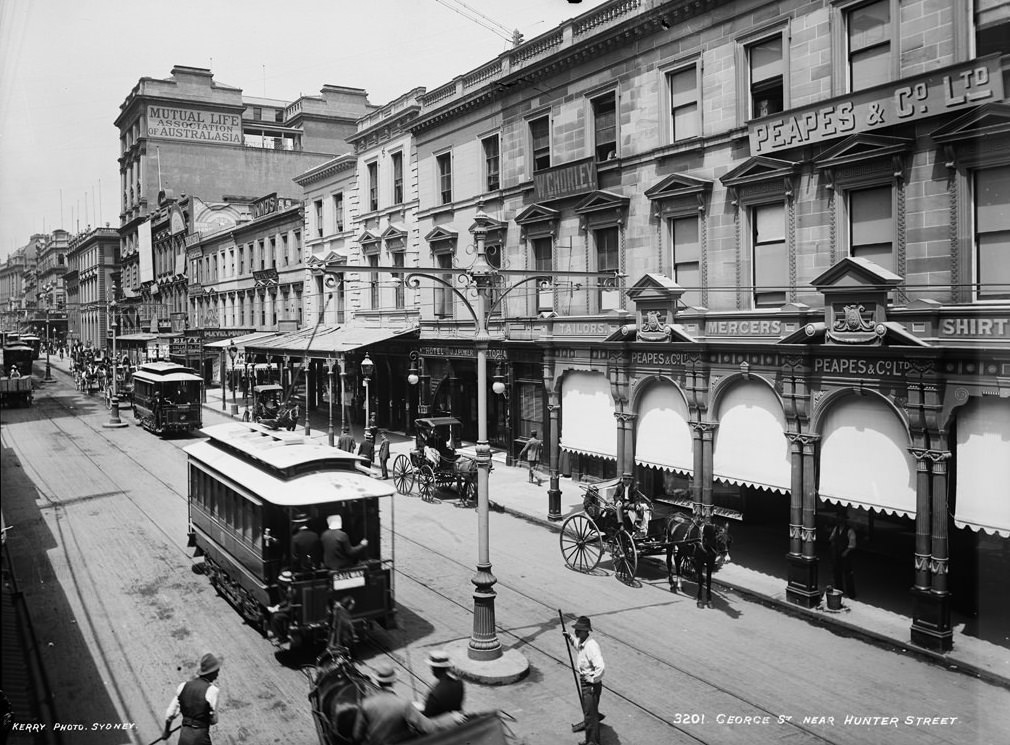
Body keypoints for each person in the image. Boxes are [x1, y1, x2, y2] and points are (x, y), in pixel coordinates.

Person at [352, 664, 463, 745]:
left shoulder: (365, 704)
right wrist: (450, 718)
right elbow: (429, 727)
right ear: (394, 680)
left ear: (377, 681)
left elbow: (357, 735)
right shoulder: (404, 704)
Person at [163, 652, 223, 745]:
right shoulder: (212, 691)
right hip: (200, 738)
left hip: (184, 737)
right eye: (216, 671)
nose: (217, 674)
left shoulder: (183, 686)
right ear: (211, 672)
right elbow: (214, 721)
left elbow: (170, 713)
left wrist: (166, 731)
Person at [563, 615, 605, 745]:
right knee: (589, 714)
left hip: (590, 685)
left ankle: (592, 743)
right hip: (586, 683)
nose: (576, 632)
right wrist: (570, 637)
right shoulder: (583, 643)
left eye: (579, 630)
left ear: (586, 631)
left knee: (590, 716)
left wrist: (592, 679)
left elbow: (601, 667)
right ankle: (589, 740)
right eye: (576, 630)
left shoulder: (591, 646)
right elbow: (579, 648)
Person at [421, 649, 464, 717]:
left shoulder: (434, 694)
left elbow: (427, 717)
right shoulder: (459, 682)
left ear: (435, 669)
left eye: (432, 667)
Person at [829, 515, 857, 599]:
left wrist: (846, 551)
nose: (840, 522)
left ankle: (851, 593)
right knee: (837, 573)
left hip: (846, 554)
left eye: (841, 520)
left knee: (848, 573)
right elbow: (831, 538)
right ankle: (839, 590)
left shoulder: (850, 530)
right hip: (837, 553)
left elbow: (852, 544)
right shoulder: (836, 528)